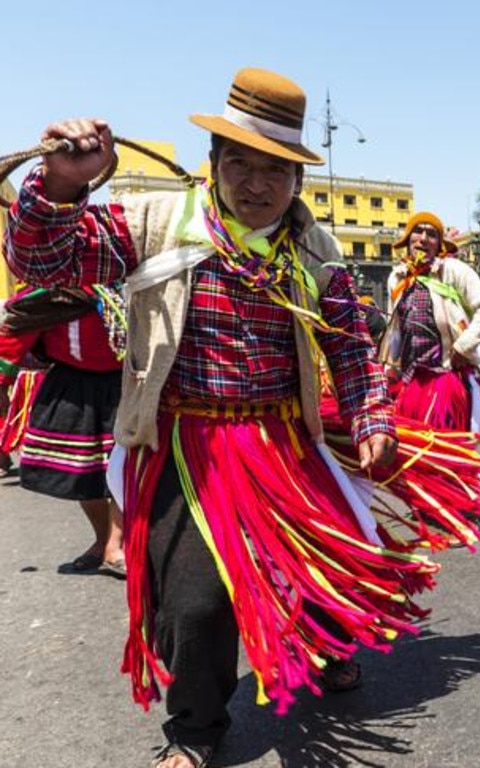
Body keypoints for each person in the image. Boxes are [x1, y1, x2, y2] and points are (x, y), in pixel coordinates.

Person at [4, 68, 439, 768]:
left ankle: (324, 648)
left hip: (284, 444)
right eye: (240, 162)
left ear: (296, 180)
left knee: (315, 565)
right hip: (183, 446)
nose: (257, 183)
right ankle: (197, 731)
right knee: (196, 604)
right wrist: (61, 188)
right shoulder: (152, 222)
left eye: (276, 169)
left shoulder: (318, 253)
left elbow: (352, 350)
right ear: (213, 164)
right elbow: (45, 260)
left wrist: (370, 421)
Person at [0, 284, 126, 575]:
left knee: (127, 467)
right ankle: (103, 539)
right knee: (83, 472)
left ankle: (116, 545)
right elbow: (17, 329)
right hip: (73, 389)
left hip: (126, 385)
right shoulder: (53, 293)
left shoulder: (133, 284)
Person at [382, 211, 480, 432]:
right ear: (408, 240)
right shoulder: (396, 278)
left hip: (447, 377)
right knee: (414, 456)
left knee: (448, 451)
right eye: (418, 231)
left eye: (431, 234)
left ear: (439, 245)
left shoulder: (453, 270)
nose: (423, 238)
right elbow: (394, 329)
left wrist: (463, 347)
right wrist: (390, 367)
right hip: (410, 381)